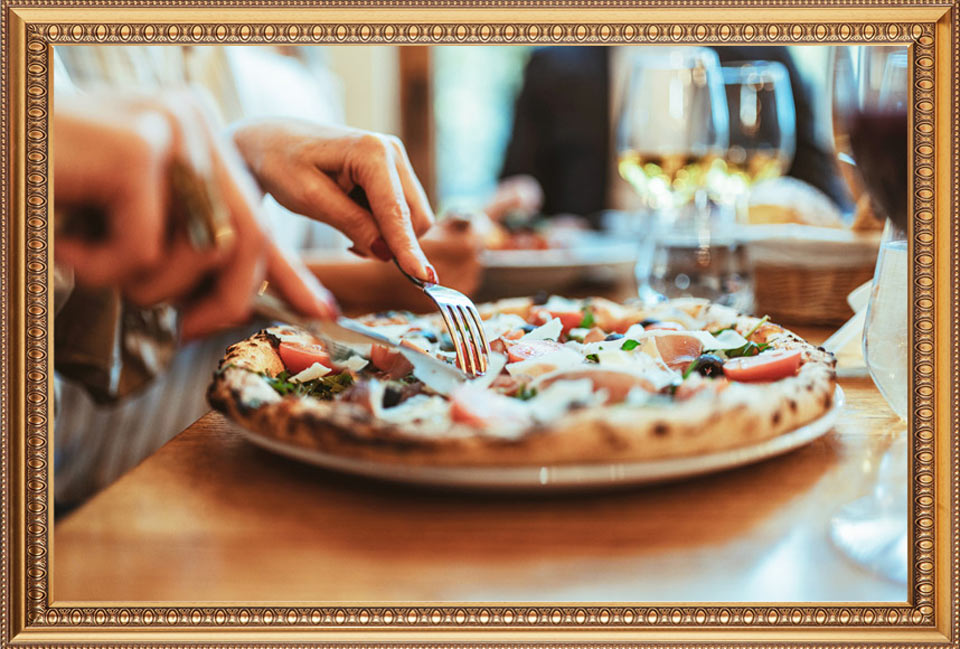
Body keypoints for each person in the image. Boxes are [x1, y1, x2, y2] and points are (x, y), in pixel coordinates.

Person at [53, 46, 480, 508]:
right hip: (92, 491)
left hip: (245, 474)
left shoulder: (291, 61)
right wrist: (362, 281)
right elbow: (85, 276)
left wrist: (241, 149)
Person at [490, 46, 852, 222]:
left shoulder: (763, 53)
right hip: (588, 289)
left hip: (741, 280)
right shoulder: (553, 63)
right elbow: (517, 191)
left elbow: (826, 202)